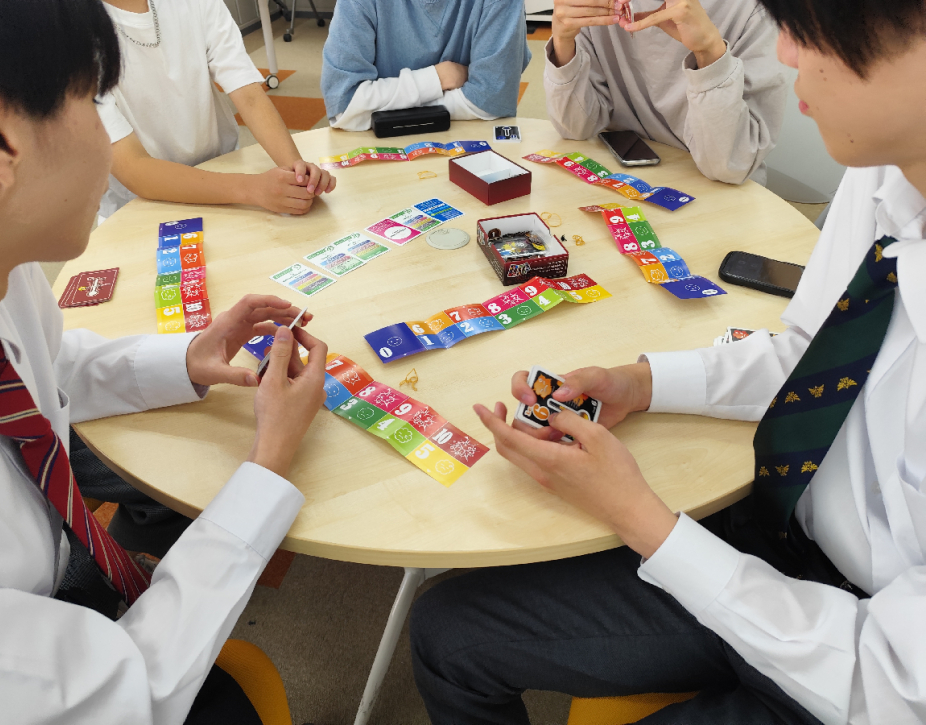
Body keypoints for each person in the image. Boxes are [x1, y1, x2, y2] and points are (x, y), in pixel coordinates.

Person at [410, 0, 926, 722]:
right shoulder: (882, 167)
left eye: (812, 31)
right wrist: (639, 382)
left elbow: (891, 684)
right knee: (446, 632)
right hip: (785, 534)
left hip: (866, 667)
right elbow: (817, 359)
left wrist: (639, 516)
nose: (785, 54)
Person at [0, 2, 327, 722]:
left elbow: (43, 370)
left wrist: (189, 356)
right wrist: (266, 468)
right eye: (93, 102)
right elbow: (132, 694)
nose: (110, 146)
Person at [98, 0, 336, 219]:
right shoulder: (80, 30)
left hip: (221, 172)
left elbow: (248, 94)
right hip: (140, 207)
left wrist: (297, 175)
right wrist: (252, 189)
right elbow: (134, 167)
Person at [545, 0, 789, 185]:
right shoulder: (598, 5)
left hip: (720, 190)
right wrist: (563, 40)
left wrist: (708, 51)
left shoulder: (754, 10)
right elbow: (576, 128)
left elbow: (731, 165)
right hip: (621, 174)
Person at [321, 0, 532, 131]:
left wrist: (374, 106)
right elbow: (344, 106)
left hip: (470, 145)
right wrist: (436, 79)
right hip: (378, 149)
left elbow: (490, 103)